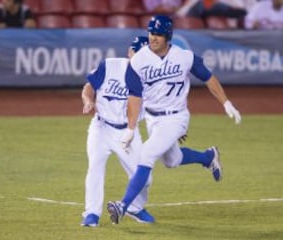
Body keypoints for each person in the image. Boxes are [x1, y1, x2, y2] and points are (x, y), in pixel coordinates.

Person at [107, 15, 241, 224]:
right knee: (172, 160)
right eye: (151, 32)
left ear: (168, 35)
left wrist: (226, 103)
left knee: (147, 154)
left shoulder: (184, 57)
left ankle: (123, 206)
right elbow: (135, 97)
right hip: (153, 118)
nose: (153, 37)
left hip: (176, 117)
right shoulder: (138, 61)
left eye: (159, 34)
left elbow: (208, 77)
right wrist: (131, 130)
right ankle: (208, 157)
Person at [80, 36, 155, 227]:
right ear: (130, 52)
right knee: (95, 167)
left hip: (128, 132)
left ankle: (135, 208)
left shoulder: (151, 79)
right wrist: (88, 101)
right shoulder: (110, 65)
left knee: (145, 178)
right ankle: (91, 214)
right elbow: (89, 87)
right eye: (137, 53)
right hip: (101, 127)